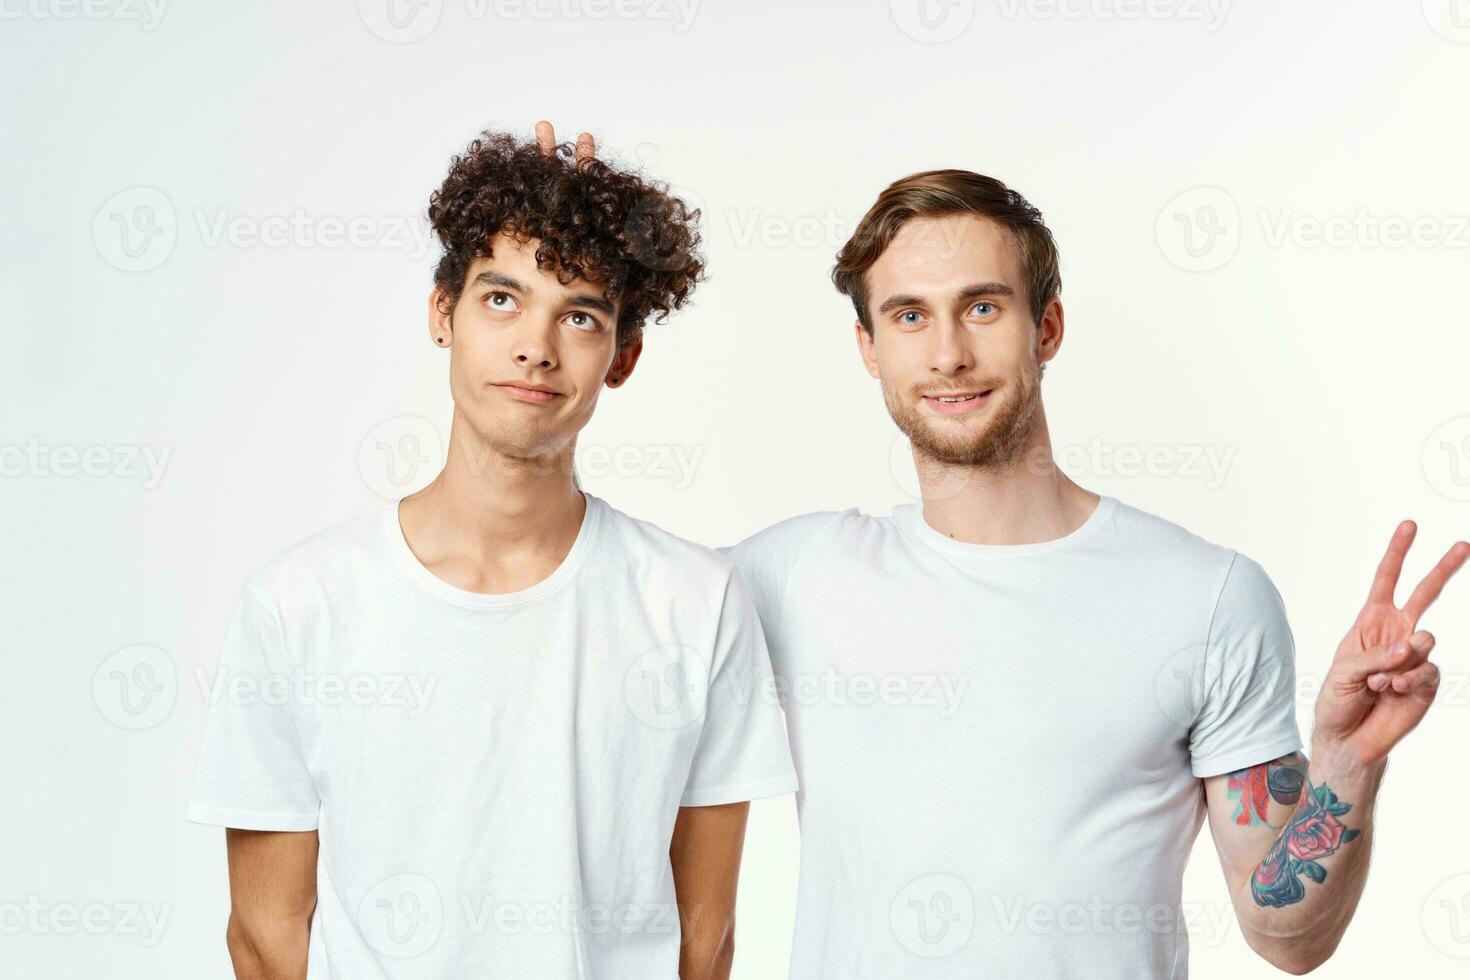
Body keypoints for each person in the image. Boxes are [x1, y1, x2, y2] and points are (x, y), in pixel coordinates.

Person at [725, 168, 1468, 978]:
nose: (948, 354)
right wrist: (562, 221)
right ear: (869, 347)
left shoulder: (1208, 596)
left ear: (1047, 328)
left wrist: (1346, 764)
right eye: (909, 316)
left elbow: (1288, 939)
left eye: (983, 307)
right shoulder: (791, 577)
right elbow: (578, 597)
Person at [188, 122, 796, 979]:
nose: (534, 348)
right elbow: (263, 937)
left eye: (578, 315)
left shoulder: (698, 601)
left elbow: (708, 941)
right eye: (501, 298)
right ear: (445, 314)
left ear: (622, 356)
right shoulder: (301, 604)